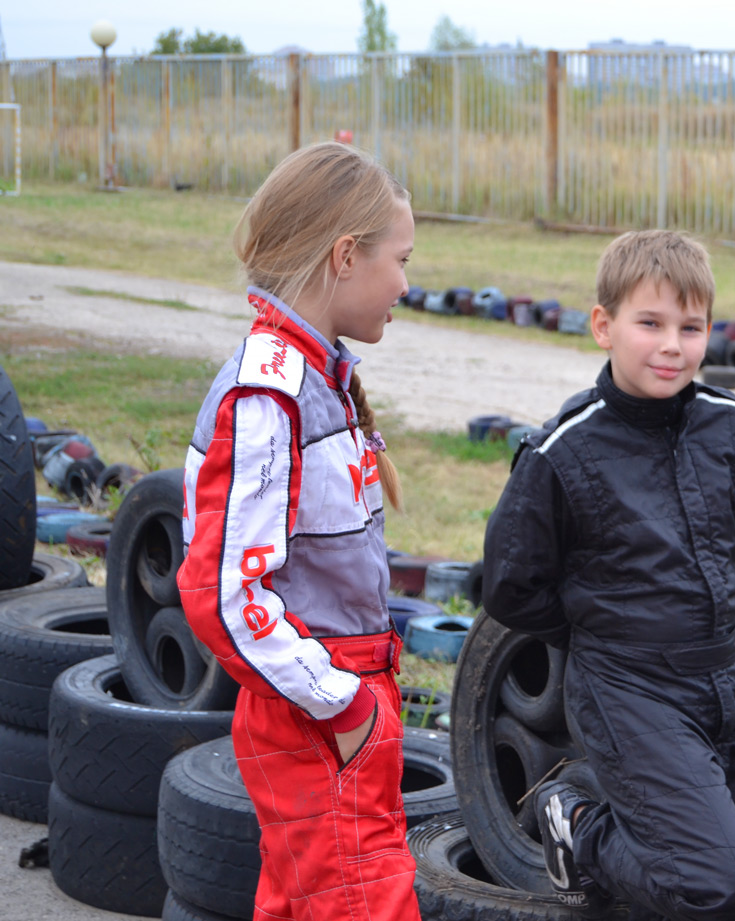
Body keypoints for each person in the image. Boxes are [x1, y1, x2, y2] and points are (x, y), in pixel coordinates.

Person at [482, 229, 735, 920]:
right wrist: (598, 631)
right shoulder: (563, 449)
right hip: (628, 685)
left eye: (691, 327)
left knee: (684, 862)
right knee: (724, 884)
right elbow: (510, 584)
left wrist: (734, 619)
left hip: (721, 677)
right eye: (650, 323)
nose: (672, 345)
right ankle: (577, 823)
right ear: (603, 325)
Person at [178, 141, 421, 921]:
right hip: (318, 713)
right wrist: (342, 705)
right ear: (345, 256)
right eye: (400, 260)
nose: (406, 285)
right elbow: (223, 593)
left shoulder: (317, 378)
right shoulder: (269, 394)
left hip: (336, 705)